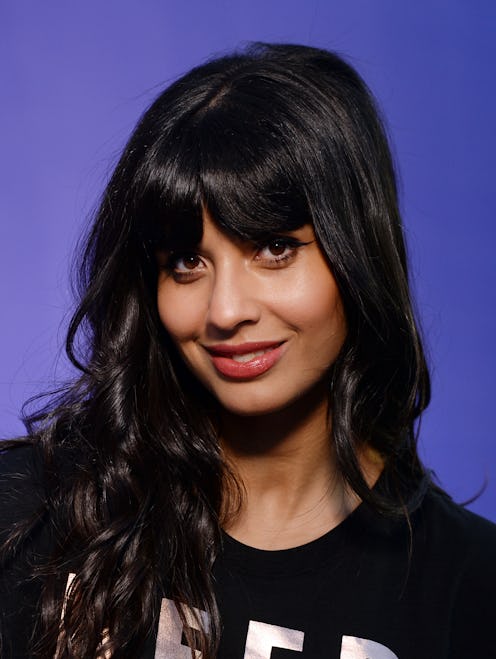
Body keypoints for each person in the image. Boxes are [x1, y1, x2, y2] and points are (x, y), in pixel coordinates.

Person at [0, 42, 495, 659]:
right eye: (186, 262)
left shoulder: (470, 589)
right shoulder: (26, 514)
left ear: (357, 253)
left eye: (275, 248)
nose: (226, 311)